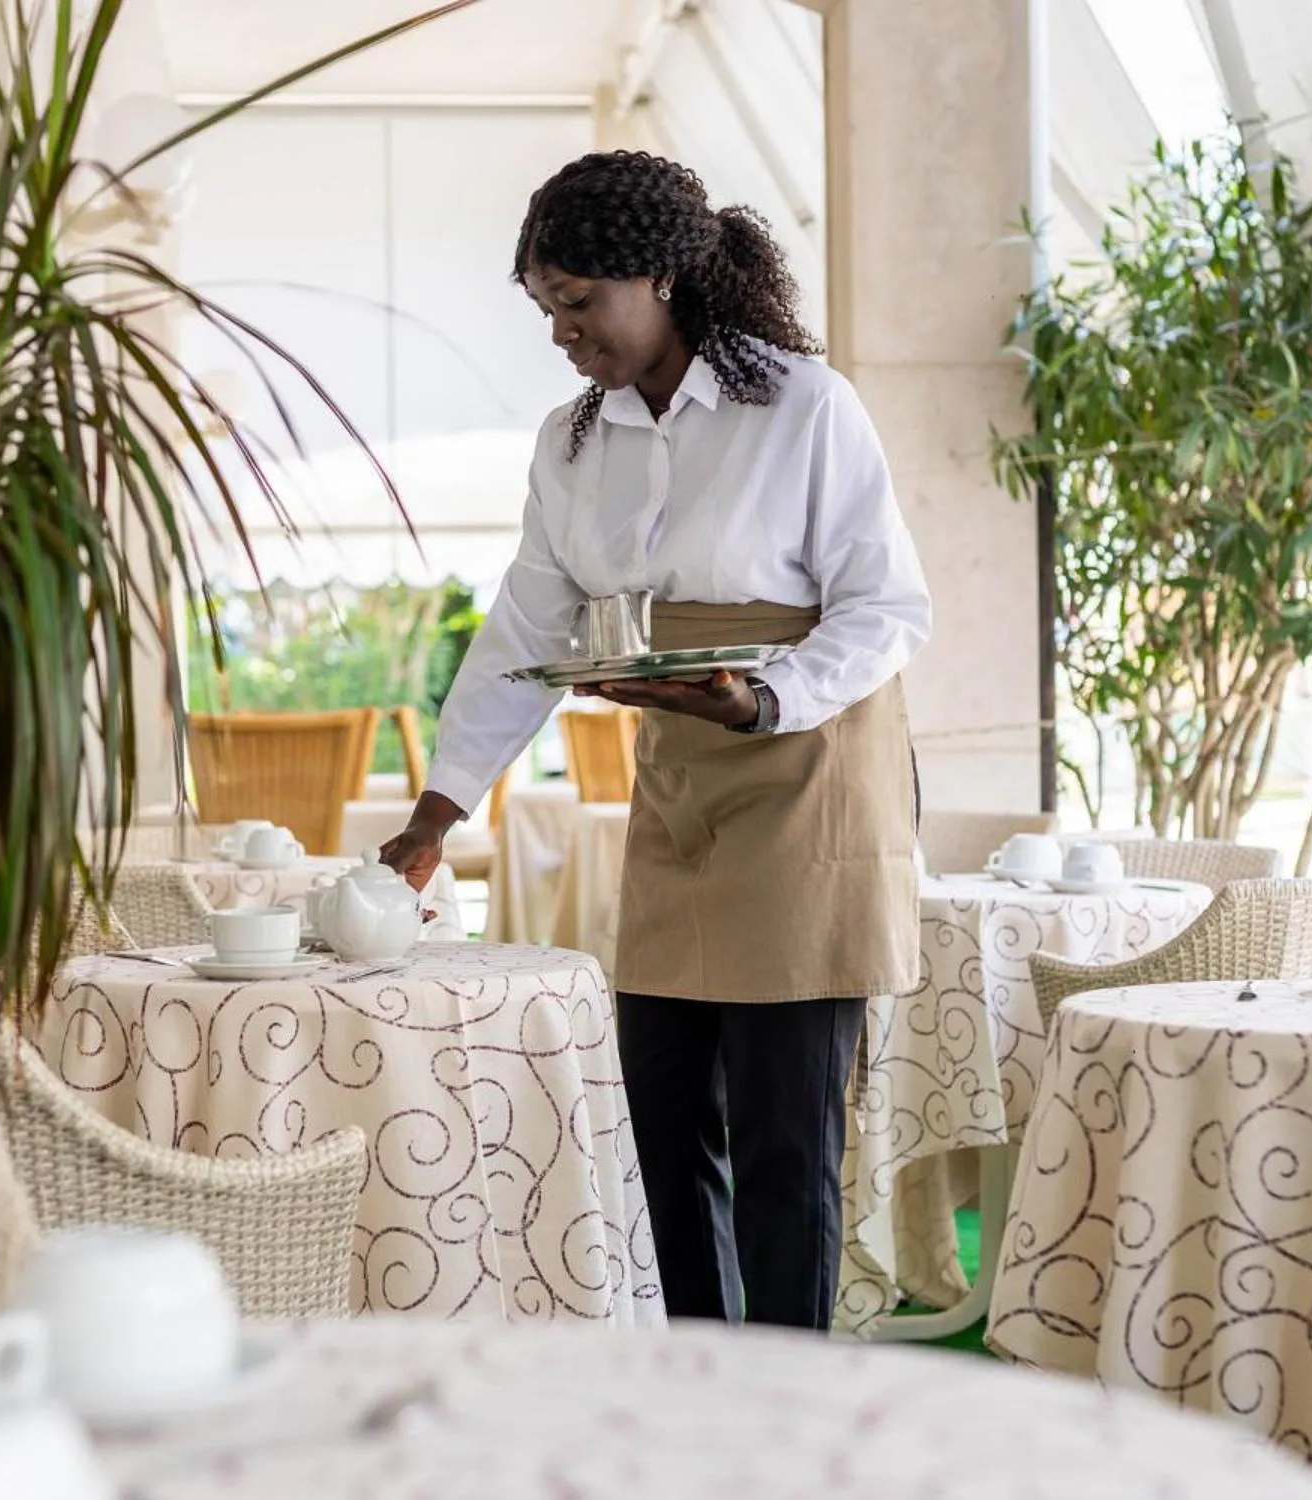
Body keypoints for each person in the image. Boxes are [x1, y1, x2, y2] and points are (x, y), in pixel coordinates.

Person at [380, 151, 932, 1331]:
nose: (563, 334)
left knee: (788, 1141)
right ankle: (694, 1376)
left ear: (667, 276)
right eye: (546, 309)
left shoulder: (803, 407)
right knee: (660, 1122)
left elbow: (890, 607)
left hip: (811, 777)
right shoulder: (573, 443)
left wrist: (768, 697)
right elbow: (527, 623)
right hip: (682, 784)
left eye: (581, 303)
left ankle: (793, 1405)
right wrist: (438, 813)